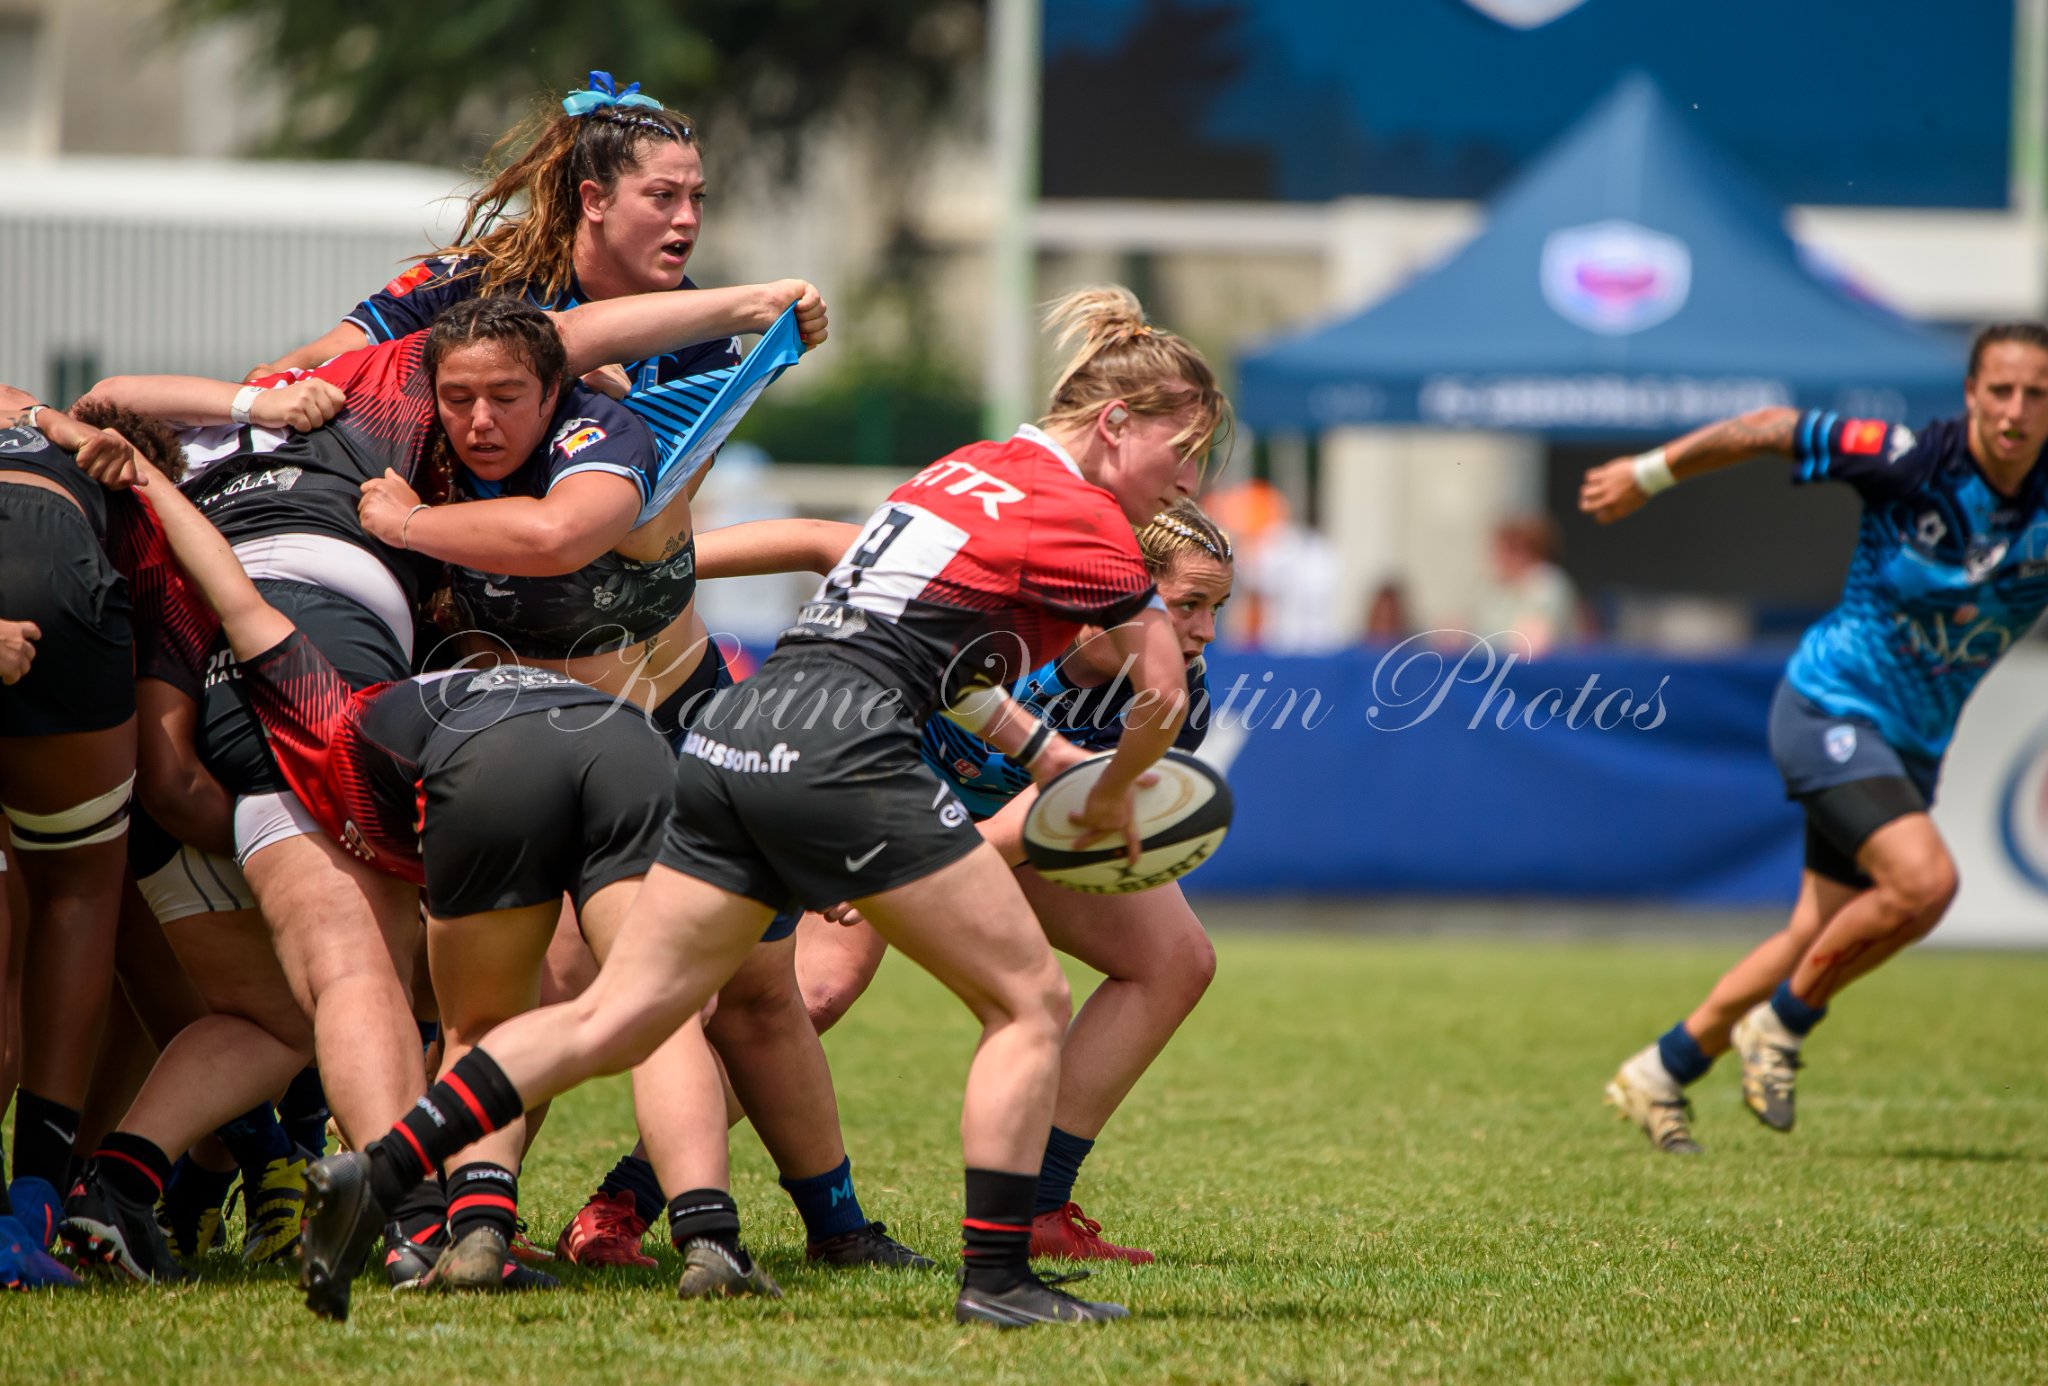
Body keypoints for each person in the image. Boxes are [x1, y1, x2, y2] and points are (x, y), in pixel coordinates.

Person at [296, 284, 1223, 1328]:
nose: (1185, 483)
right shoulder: (1084, 517)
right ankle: (1000, 1280)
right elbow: (1161, 686)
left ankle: (376, 1171)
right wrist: (1109, 790)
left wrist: (1044, 754)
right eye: (1183, 455)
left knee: (617, 1014)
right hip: (845, 745)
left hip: (736, 727)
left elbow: (935, 639)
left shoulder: (965, 468)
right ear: (1115, 425)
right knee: (1026, 1002)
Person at [65, 279, 820, 1280]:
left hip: (386, 719)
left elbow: (203, 690)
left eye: (502, 397)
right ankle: (670, 1232)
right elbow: (562, 368)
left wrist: (238, 444)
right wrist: (744, 309)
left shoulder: (198, 504)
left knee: (383, 999)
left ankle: (412, 1217)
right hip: (575, 727)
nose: (476, 419)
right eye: (462, 396)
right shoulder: (369, 398)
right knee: (628, 997)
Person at [60, 447, 677, 1294]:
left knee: (275, 1020)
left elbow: (172, 765)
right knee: (362, 976)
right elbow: (189, 749)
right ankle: (413, 1227)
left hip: (174, 803)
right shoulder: (309, 689)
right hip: (245, 778)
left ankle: (120, 1182)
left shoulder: (187, 578)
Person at [1582, 322, 2048, 1154]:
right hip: (1830, 707)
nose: (2016, 410)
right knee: (1925, 884)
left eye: (2036, 394)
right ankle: (1785, 1024)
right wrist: (1646, 475)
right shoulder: (1909, 459)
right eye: (2001, 390)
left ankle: (1663, 1070)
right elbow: (1764, 427)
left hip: (1910, 744)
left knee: (1815, 934)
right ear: (1972, 394)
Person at [256, 71, 733, 399]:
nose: (688, 219)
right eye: (663, 196)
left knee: (811, 537)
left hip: (596, 542)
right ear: (594, 200)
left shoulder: (709, 337)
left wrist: (608, 417)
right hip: (433, 520)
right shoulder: (479, 278)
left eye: (697, 198)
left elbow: (658, 519)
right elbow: (299, 368)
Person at [1475, 515, 1578, 656]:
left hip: (1543, 673)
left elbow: (1531, 643)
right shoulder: (1500, 590)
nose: (1494, 559)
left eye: (1501, 550)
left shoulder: (1547, 582)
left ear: (1523, 552)